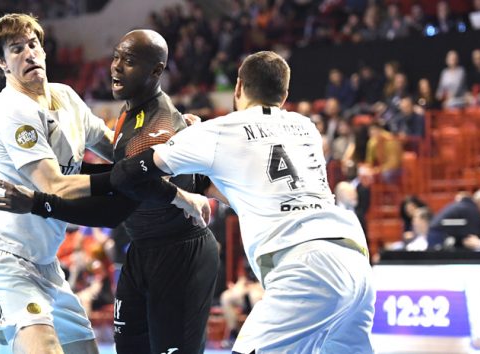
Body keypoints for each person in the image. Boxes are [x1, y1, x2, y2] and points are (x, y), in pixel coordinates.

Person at [107, 51, 374, 353]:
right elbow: (252, 186)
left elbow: (133, 171)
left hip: (305, 266)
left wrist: (181, 137)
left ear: (238, 87)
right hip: (356, 264)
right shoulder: (306, 128)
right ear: (284, 95)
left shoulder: (218, 131)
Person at [0, 29, 219, 354]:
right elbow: (119, 173)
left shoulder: (150, 131)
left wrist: (39, 202)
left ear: (156, 71)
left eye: (129, 61)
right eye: (115, 57)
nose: (115, 68)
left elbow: (115, 208)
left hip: (178, 253)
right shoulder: (132, 112)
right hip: (141, 251)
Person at [0, 13, 116, 354]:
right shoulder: (13, 108)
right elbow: (53, 184)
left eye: (33, 45)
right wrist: (124, 179)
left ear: (44, 50)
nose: (29, 54)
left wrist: (167, 143)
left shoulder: (66, 97)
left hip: (48, 266)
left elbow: (115, 148)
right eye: (16, 49)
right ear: (1, 63)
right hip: (6, 262)